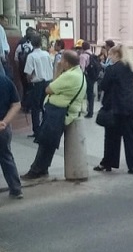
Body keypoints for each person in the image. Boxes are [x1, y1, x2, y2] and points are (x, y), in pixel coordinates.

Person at [20, 50, 87, 180]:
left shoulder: (69, 76)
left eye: (62, 60)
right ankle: (43, 168)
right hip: (60, 111)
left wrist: (57, 70)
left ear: (66, 63)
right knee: (49, 142)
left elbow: (49, 88)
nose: (60, 62)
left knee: (45, 142)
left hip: (59, 112)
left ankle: (36, 170)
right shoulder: (77, 73)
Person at [94, 44, 133, 174]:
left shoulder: (112, 69)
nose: (109, 57)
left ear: (116, 54)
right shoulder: (130, 67)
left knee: (111, 137)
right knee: (130, 137)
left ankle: (108, 163)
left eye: (110, 54)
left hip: (114, 107)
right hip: (128, 107)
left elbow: (103, 86)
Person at [24, 34, 54, 138]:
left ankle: (36, 130)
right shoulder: (46, 54)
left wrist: (28, 82)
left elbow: (28, 73)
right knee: (44, 106)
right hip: (47, 82)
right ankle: (45, 128)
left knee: (35, 108)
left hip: (37, 83)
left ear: (32, 43)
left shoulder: (31, 56)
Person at [0, 75, 23, 199]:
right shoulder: (6, 81)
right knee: (6, 157)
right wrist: (4, 122)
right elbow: (16, 104)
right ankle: (16, 189)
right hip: (3, 127)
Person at [14, 27, 35, 111]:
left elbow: (16, 59)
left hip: (22, 69)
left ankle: (25, 105)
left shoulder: (20, 44)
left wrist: (19, 68)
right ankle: (28, 105)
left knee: (25, 87)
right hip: (30, 70)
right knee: (30, 88)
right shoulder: (32, 45)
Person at [79, 41, 95, 118]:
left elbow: (82, 68)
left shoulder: (83, 56)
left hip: (86, 77)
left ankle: (83, 110)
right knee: (90, 94)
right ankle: (90, 110)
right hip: (92, 76)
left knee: (83, 93)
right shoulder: (92, 54)